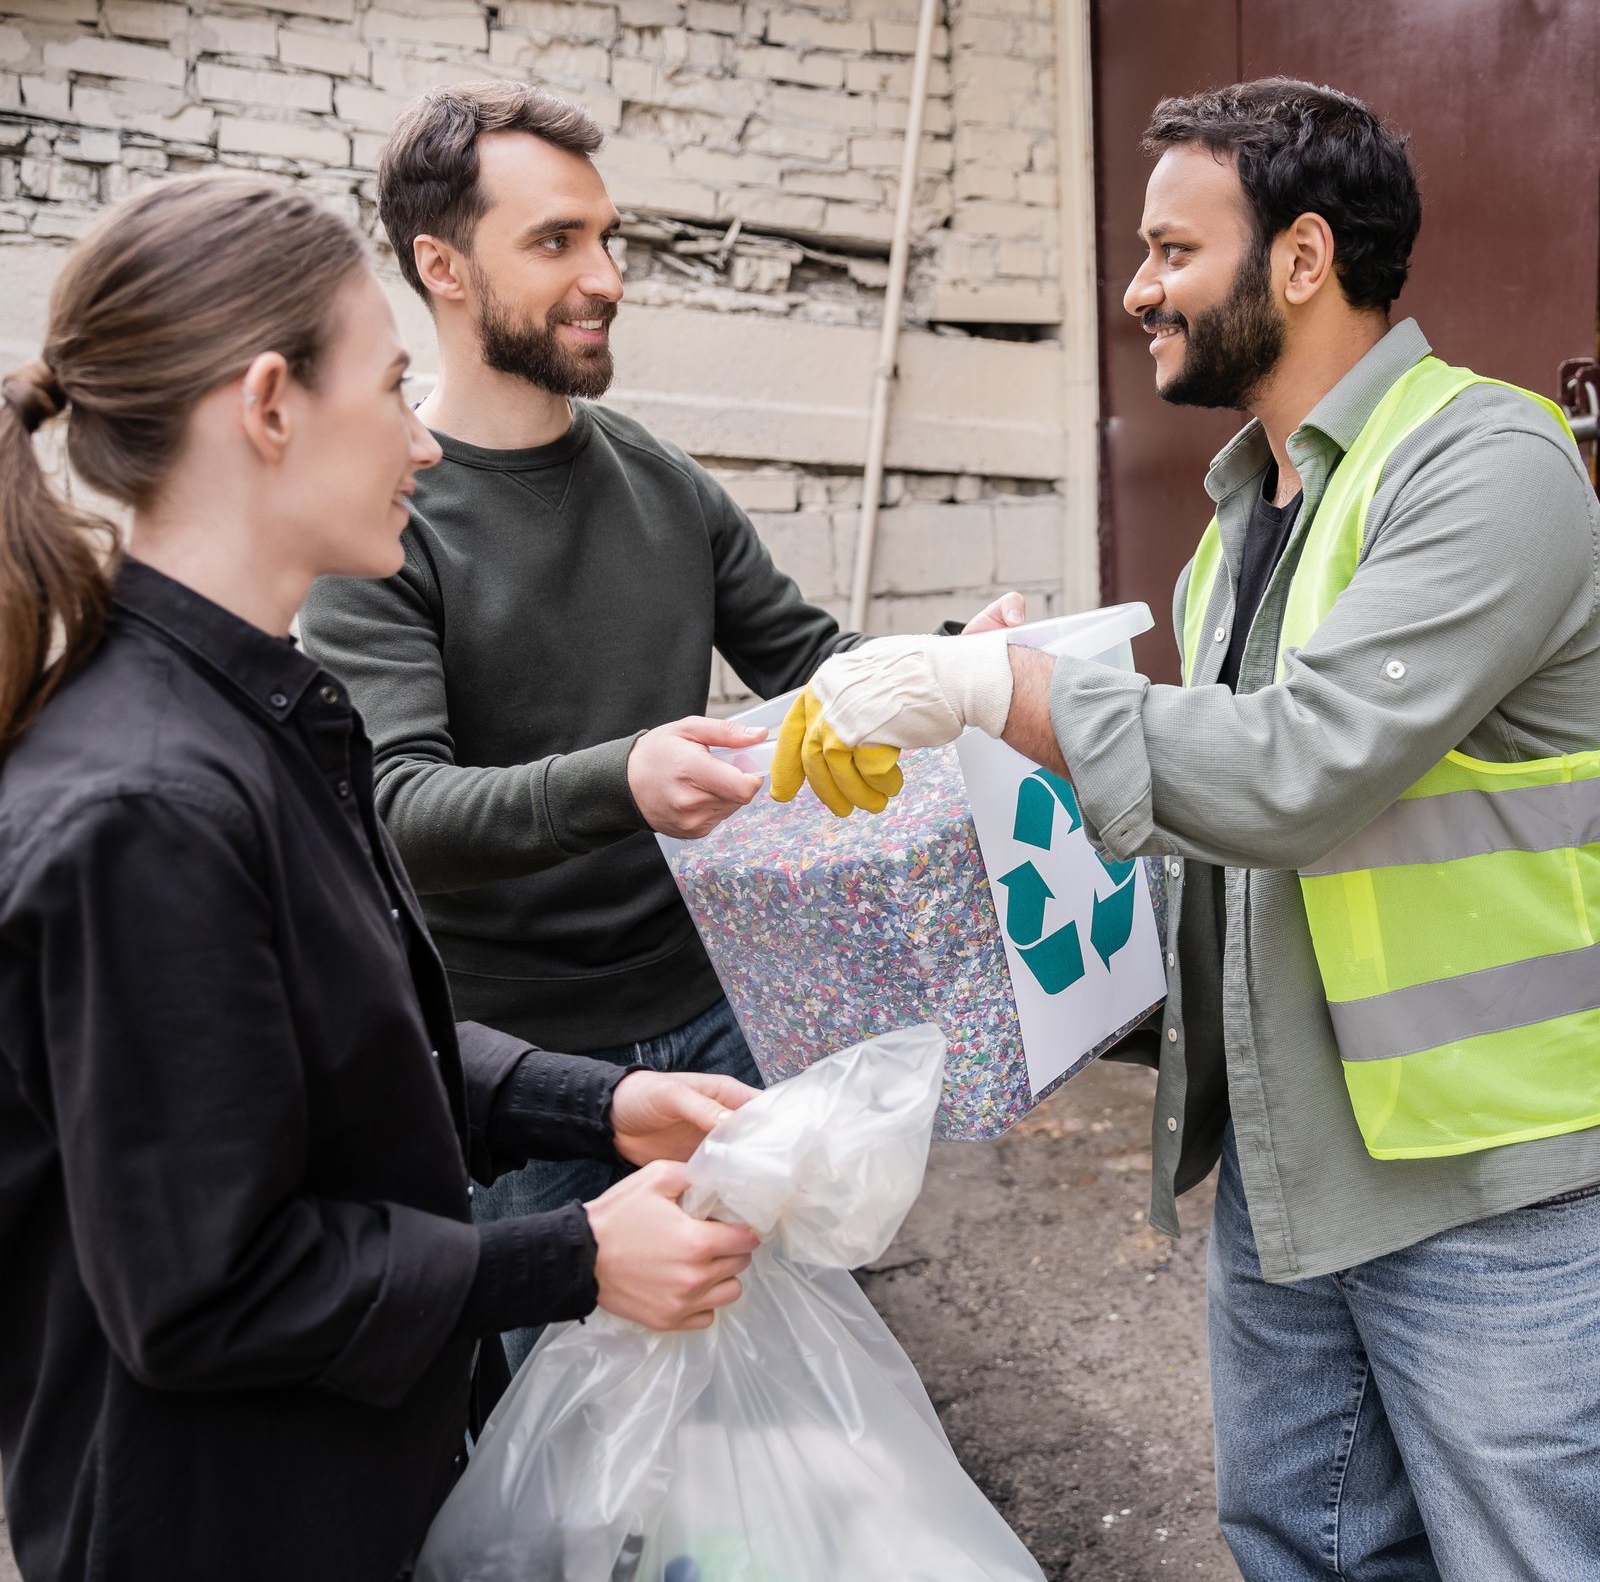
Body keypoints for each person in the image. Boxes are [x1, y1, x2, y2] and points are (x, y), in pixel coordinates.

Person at [769, 79, 1600, 1578]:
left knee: (1526, 1555)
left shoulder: (1492, 467)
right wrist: (1027, 716)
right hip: (1292, 1161)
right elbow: (1211, 827)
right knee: (1303, 1541)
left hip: (1492, 1184)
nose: (1138, 289)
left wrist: (1000, 690)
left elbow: (1299, 769)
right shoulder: (1245, 515)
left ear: (1298, 258)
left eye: (1170, 249)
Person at [0, 174, 764, 1582]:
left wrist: (603, 1101)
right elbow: (207, 1286)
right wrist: (572, 1258)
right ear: (270, 405)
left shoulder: (260, 717)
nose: (421, 445)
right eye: (393, 390)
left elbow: (347, 1051)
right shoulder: (144, 806)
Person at [297, 80, 1023, 1368]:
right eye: (557, 242)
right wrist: (625, 779)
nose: (607, 276)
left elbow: (818, 663)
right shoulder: (381, 521)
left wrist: (967, 663)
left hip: (719, 1015)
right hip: (515, 1073)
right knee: (555, 1458)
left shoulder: (662, 481)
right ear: (441, 266)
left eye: (607, 237)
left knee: (777, 1396)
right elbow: (396, 815)